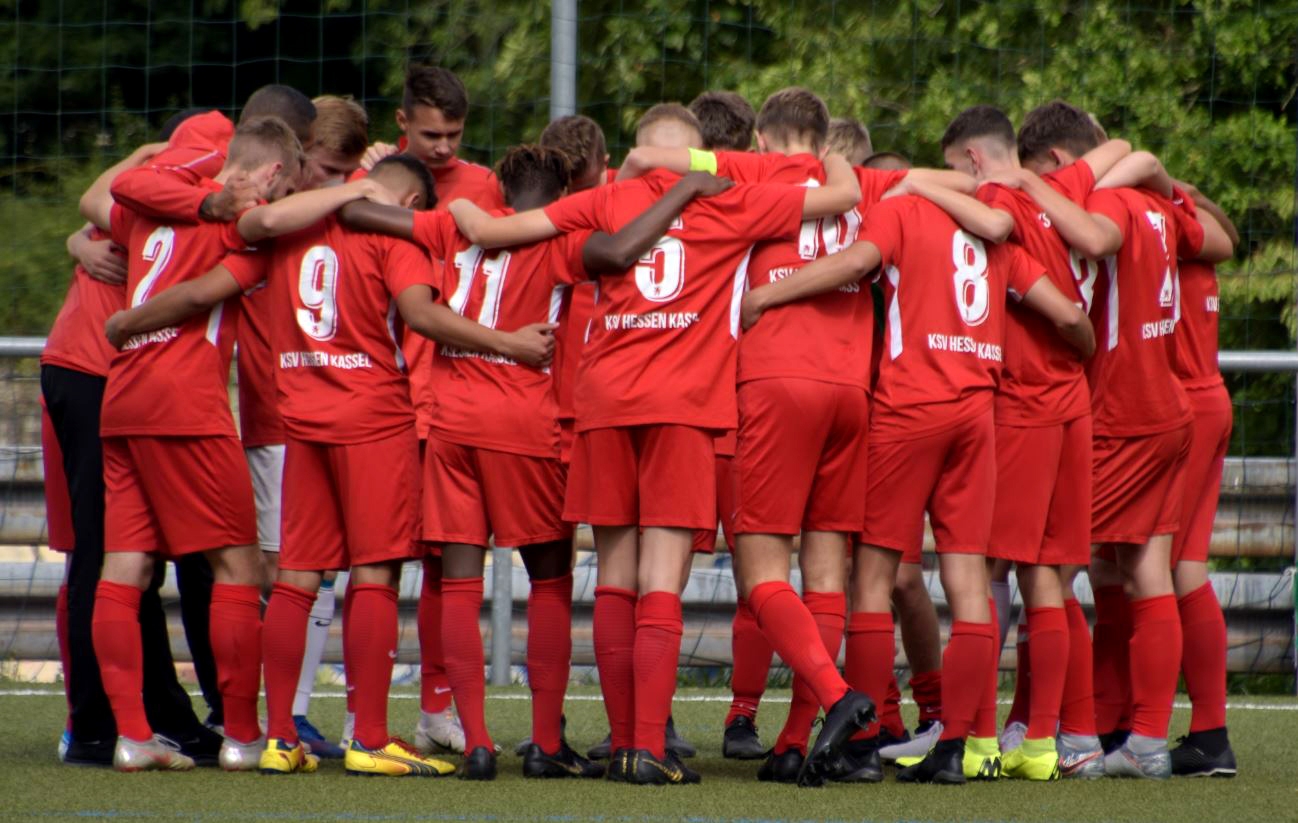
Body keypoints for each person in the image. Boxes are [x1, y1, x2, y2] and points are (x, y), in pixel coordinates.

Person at [446, 101, 873, 787]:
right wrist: (815, 152)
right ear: (695, 153)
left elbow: (507, 230)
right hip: (683, 409)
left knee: (614, 575)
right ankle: (648, 745)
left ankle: (620, 744)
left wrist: (460, 217)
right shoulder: (732, 202)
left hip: (606, 404)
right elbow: (841, 195)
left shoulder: (606, 197)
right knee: (660, 583)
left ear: (638, 151)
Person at [100, 155, 552, 777]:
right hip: (374, 420)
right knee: (375, 575)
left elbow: (213, 273)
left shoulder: (293, 233)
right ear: (410, 199)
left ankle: (281, 737)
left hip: (301, 419)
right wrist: (508, 344)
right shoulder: (393, 235)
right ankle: (367, 736)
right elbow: (420, 315)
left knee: (297, 577)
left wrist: (124, 319)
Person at [343, 144, 731, 780]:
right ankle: (546, 741)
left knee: (462, 587)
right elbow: (617, 253)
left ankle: (475, 742)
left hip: (450, 424)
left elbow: (364, 214)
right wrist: (681, 192)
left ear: (499, 187)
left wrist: (368, 177)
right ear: (562, 198)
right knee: (550, 581)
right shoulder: (559, 241)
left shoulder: (452, 226)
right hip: (525, 425)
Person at [741, 178, 1096, 785]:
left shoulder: (903, 211)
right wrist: (1087, 353)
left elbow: (856, 261)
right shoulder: (996, 237)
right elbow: (1067, 313)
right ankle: (956, 746)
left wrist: (766, 295)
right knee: (967, 584)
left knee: (873, 581)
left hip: (908, 410)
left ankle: (866, 741)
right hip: (977, 416)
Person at [76, 116, 302, 772]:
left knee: (126, 566)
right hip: (186, 403)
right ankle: (240, 735)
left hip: (123, 403)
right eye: (283, 186)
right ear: (269, 175)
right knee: (238, 569)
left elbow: (114, 192)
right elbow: (203, 293)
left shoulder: (150, 211)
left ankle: (133, 736)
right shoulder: (243, 226)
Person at [1014, 100, 1232, 779]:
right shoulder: (1154, 204)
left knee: (1053, 570)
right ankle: (1135, 734)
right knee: (1136, 568)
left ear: (1056, 163)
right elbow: (1218, 238)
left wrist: (1028, 189)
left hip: (1127, 411)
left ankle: (1061, 731)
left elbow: (1101, 240)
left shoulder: (1108, 204)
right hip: (1165, 405)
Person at [938, 103, 1131, 779]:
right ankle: (1045, 742)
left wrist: (925, 186)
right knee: (1045, 573)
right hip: (1073, 399)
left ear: (969, 161)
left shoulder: (996, 198)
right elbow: (1121, 149)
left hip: (1022, 403)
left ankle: (978, 735)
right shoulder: (1066, 186)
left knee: (995, 568)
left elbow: (1046, 291)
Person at [360, 65, 505, 754]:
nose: (443, 147)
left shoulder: (485, 187)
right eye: (429, 134)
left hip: (456, 400)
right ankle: (344, 717)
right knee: (384, 564)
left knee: (452, 564)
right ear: (401, 123)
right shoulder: (367, 185)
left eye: (453, 134)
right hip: (385, 401)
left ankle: (435, 706)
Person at [236, 94, 371, 761]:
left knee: (315, 569)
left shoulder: (356, 214)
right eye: (322, 168)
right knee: (290, 569)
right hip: (286, 412)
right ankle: (286, 718)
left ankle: (294, 720)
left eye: (343, 173)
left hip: (335, 413)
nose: (329, 182)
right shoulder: (275, 211)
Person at [1166, 182, 1239, 778]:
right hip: (1210, 397)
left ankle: (1130, 728)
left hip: (1183, 405)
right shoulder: (1182, 216)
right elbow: (1230, 239)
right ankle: (1209, 735)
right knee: (1184, 568)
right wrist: (1189, 193)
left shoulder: (1150, 219)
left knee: (1146, 566)